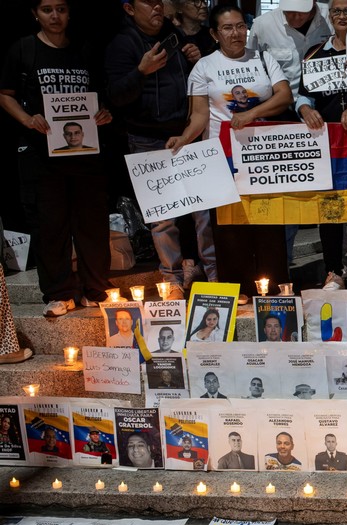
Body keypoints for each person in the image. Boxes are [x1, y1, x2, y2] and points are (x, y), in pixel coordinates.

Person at [168, 4, 292, 303]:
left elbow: (284, 96)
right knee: (229, 229)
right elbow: (199, 116)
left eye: (240, 26)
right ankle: (239, 291)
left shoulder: (263, 58)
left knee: (269, 225)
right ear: (214, 33)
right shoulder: (204, 67)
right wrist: (184, 138)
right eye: (227, 28)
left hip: (263, 157)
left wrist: (251, 114)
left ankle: (273, 290)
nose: (236, 33)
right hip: (222, 159)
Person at [0, 0, 113, 317]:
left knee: (92, 224)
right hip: (41, 155)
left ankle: (95, 290)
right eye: (47, 9)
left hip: (86, 153)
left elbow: (101, 95)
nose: (54, 15)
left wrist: (104, 113)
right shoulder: (23, 49)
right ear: (35, 13)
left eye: (61, 9)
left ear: (69, 13)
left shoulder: (85, 49)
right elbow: (5, 95)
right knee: (50, 226)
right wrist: (27, 119)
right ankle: (59, 293)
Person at [108, 0, 212, 300]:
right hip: (147, 139)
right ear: (129, 9)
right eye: (148, 2)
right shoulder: (121, 44)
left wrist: (195, 59)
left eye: (159, 2)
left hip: (188, 133)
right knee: (164, 217)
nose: (156, 7)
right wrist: (141, 71)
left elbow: (194, 84)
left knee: (204, 210)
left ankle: (214, 274)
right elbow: (115, 96)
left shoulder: (174, 34)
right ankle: (172, 280)